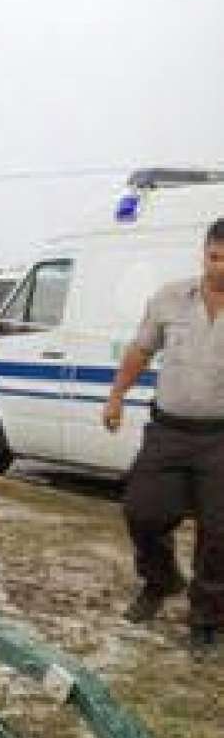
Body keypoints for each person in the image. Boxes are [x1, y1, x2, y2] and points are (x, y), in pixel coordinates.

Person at [104, 217, 224, 651]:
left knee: (219, 531)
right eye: (214, 257)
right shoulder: (169, 298)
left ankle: (207, 617)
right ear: (204, 253)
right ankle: (161, 580)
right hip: (168, 431)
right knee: (141, 510)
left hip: (220, 439)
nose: (220, 268)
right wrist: (117, 395)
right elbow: (140, 350)